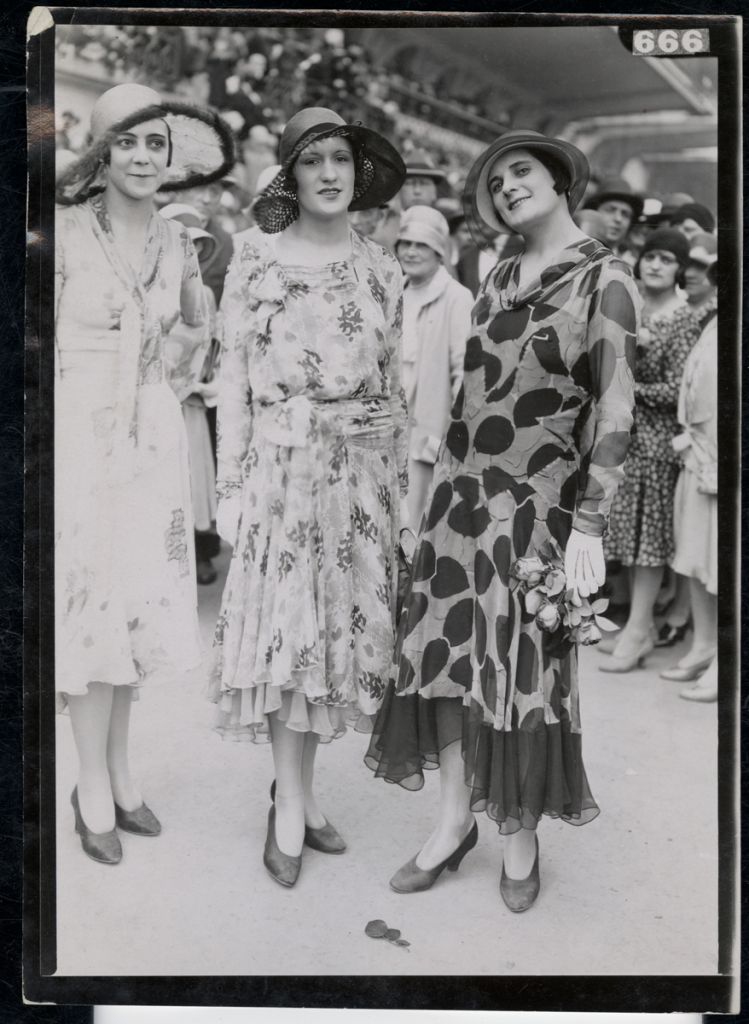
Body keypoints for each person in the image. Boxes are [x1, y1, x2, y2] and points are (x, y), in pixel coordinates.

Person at [365, 129, 638, 910]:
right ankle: (453, 824)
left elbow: (613, 410)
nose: (507, 186)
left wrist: (588, 524)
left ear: (557, 181)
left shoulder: (604, 279)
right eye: (495, 179)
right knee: (446, 658)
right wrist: (430, 503)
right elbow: (465, 400)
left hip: (538, 507)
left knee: (523, 670)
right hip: (461, 498)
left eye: (521, 172)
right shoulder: (493, 274)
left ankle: (519, 836)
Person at [209, 107, 407, 888]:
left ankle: (303, 792)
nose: (330, 173)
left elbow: (393, 383)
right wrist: (229, 485)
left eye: (342, 160)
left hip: (360, 476)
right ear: (288, 173)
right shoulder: (255, 261)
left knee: (333, 646)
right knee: (286, 642)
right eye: (313, 159)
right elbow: (232, 380)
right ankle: (287, 806)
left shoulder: (382, 268)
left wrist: (394, 489)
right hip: (282, 475)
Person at [54, 83, 234, 864]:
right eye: (125, 141)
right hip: (77, 433)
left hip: (153, 438)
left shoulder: (177, 240)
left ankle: (124, 773)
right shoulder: (55, 234)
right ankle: (90, 779)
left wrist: (198, 293)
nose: (140, 156)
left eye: (154, 144)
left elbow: (196, 347)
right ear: (100, 151)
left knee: (134, 614)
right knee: (89, 610)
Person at [601, 229, 701, 670]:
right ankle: (636, 625)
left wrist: (629, 387)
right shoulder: (634, 306)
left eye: (666, 259)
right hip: (627, 437)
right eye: (650, 257)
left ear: (679, 268)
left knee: (649, 542)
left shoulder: (683, 317)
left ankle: (640, 630)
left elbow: (681, 389)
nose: (655, 265)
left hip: (658, 442)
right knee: (629, 535)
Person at [660, 261, 718, 702]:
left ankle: (725, 661)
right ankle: (704, 645)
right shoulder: (713, 322)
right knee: (696, 559)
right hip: (698, 457)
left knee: (722, 566)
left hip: (720, 463)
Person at [396, 205, 473, 529]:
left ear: (439, 252)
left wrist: (452, 438)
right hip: (388, 431)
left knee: (418, 528)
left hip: (429, 434)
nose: (411, 252)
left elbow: (464, 372)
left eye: (421, 244)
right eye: (406, 243)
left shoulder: (456, 297)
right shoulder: (392, 291)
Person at [583, 177, 644, 255]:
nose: (618, 219)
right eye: (610, 210)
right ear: (594, 211)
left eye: (625, 214)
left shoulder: (626, 264)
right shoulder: (571, 250)